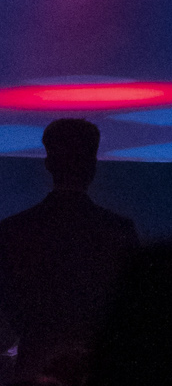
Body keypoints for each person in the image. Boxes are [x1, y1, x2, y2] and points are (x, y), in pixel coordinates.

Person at [0, 118, 138, 376]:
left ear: (49, 163)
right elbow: (130, 307)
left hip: (35, 364)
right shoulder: (118, 230)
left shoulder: (13, 229)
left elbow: (8, 306)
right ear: (92, 165)